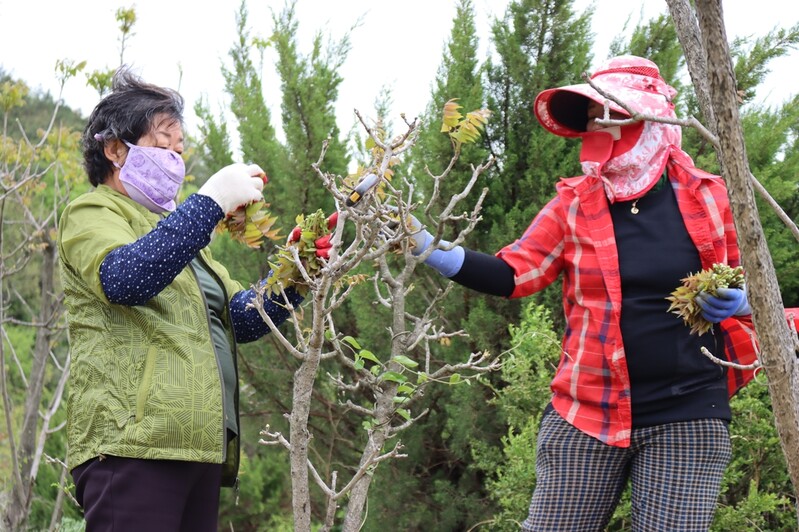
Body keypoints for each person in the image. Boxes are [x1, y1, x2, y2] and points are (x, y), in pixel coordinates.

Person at [409, 55, 759, 531]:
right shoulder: (573, 204)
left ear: (649, 119)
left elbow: (757, 282)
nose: (596, 129)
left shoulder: (711, 198)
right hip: (585, 411)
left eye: (607, 116)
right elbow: (515, 273)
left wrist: (745, 301)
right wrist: (434, 251)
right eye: (590, 118)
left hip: (689, 412)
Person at [57, 67, 330, 531]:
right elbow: (124, 278)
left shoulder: (185, 243)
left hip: (199, 447)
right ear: (114, 149)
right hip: (132, 446)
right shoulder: (92, 211)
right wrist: (210, 203)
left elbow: (241, 320)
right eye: (162, 146)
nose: (174, 159)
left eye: (178, 150)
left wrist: (299, 271)